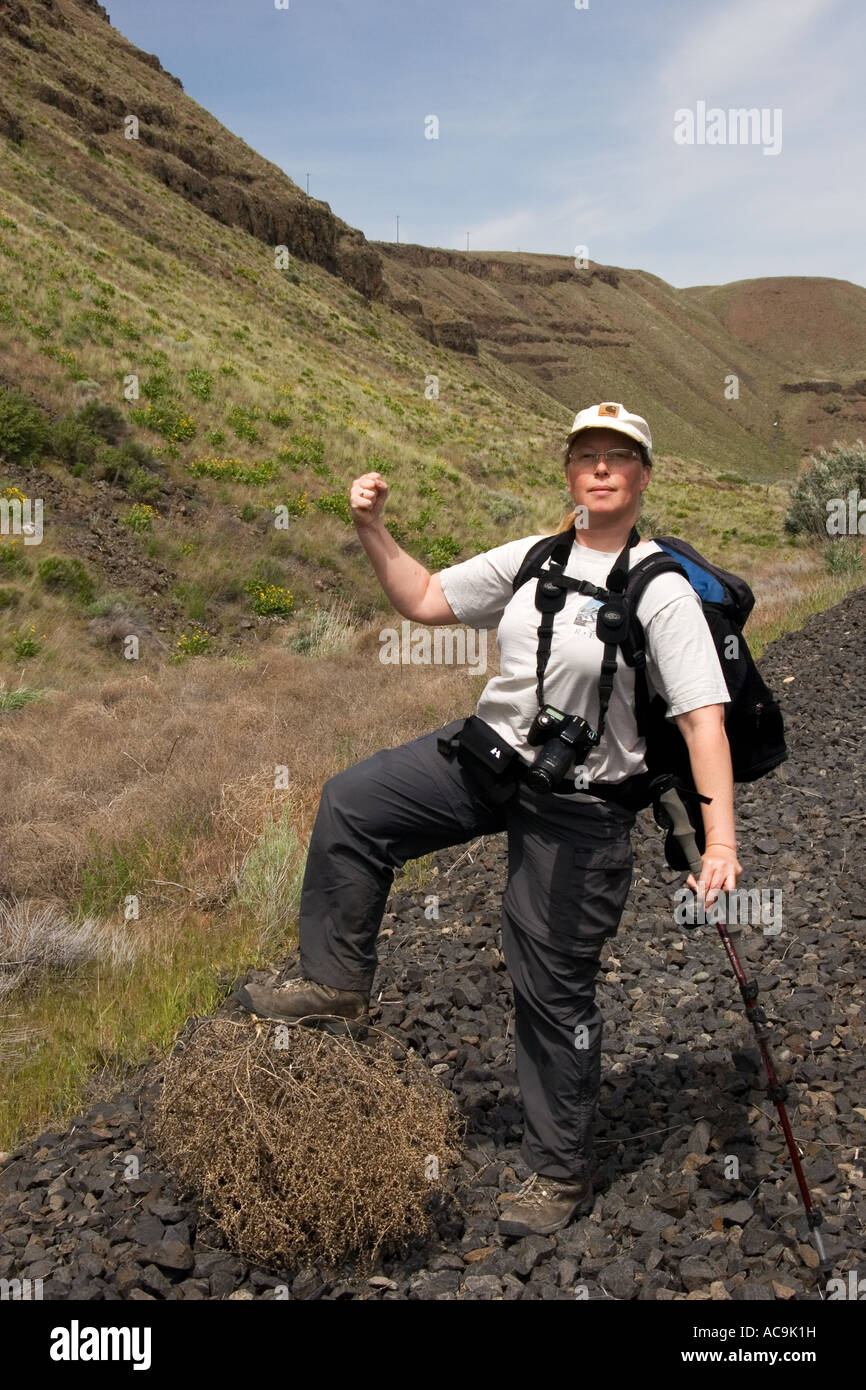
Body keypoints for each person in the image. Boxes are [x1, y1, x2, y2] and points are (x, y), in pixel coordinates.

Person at [235, 401, 743, 1238]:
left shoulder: (662, 591)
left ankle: (558, 1169)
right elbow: (427, 600)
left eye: (621, 457)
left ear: (645, 476)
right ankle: (335, 986)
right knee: (353, 805)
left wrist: (719, 841)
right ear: (570, 471)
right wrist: (373, 528)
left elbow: (702, 722)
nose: (603, 468)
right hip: (493, 760)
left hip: (582, 805)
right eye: (588, 455)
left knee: (549, 987)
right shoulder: (537, 556)